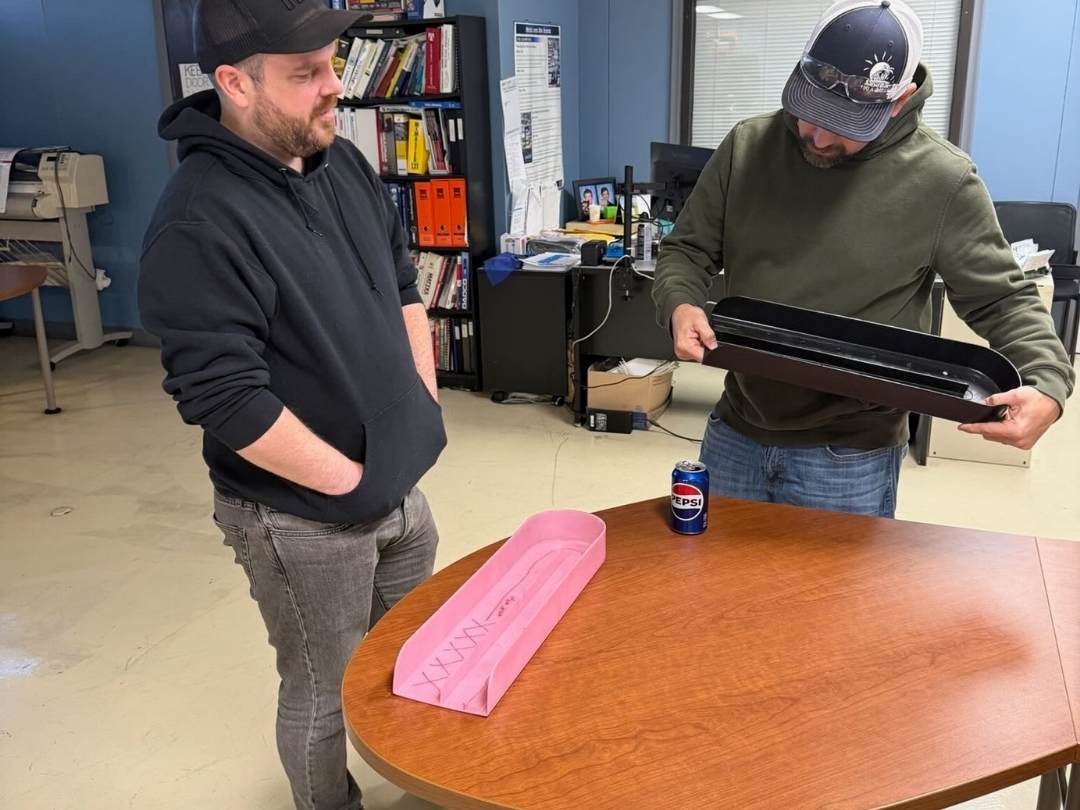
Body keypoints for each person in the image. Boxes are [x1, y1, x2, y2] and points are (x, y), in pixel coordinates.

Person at [138, 1, 446, 808]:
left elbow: (403, 286)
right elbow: (223, 398)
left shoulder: (339, 161)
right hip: (301, 516)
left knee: (418, 652)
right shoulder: (198, 223)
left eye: (332, 64)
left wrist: (419, 413)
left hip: (397, 482)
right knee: (323, 686)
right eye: (305, 73)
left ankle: (424, 780)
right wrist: (346, 482)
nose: (333, 87)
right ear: (236, 83)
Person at [652, 0, 1074, 518]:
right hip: (735, 427)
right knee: (720, 592)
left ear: (901, 100)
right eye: (811, 113)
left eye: (846, 123)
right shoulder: (749, 145)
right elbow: (686, 250)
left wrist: (1048, 386)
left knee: (839, 600)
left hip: (850, 454)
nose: (820, 136)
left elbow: (1003, 300)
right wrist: (680, 302)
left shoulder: (943, 181)